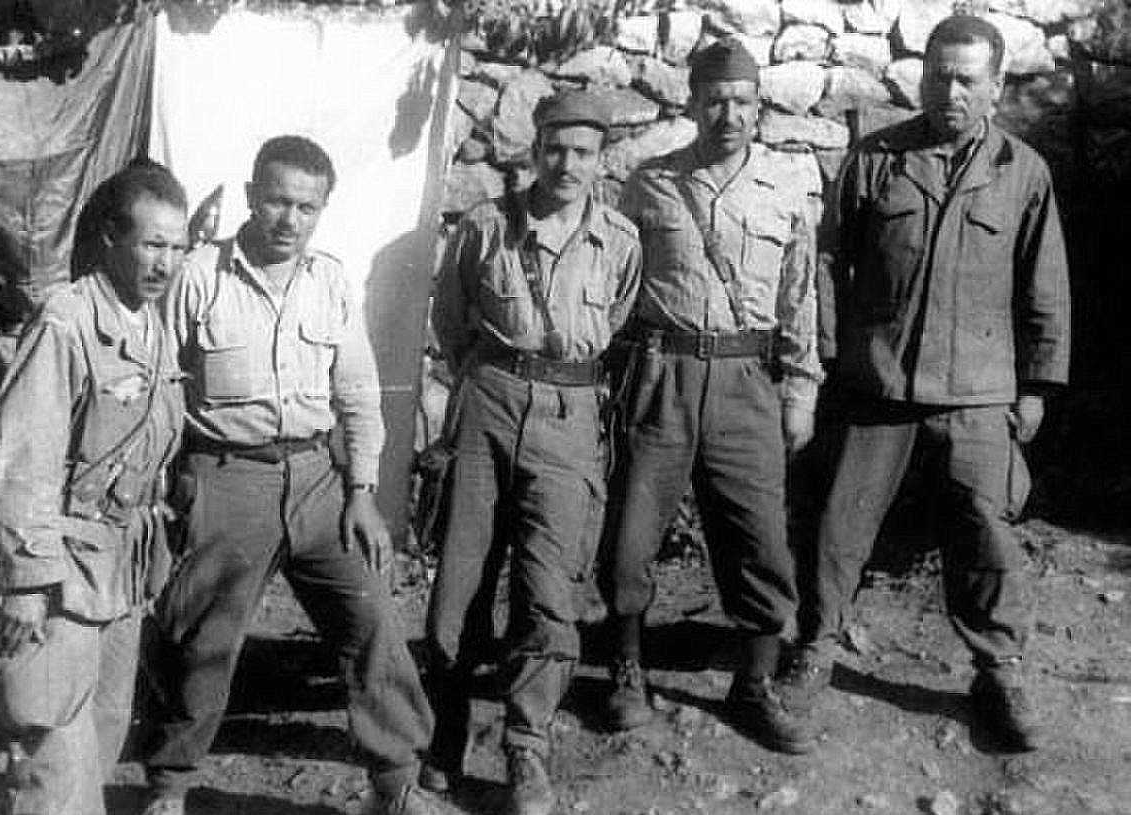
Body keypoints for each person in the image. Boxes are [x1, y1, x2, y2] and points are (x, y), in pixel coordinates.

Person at [785, 14, 1071, 753]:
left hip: (979, 390)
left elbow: (1045, 287)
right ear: (924, 76)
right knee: (839, 525)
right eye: (939, 73)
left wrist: (1035, 385)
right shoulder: (877, 159)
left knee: (986, 531)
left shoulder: (1022, 173)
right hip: (877, 384)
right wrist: (830, 355)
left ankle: (999, 666)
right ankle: (817, 645)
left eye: (968, 78)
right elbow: (826, 263)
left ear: (996, 86)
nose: (950, 89)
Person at [139, 135, 439, 815]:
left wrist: (362, 492)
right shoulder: (198, 276)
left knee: (372, 626)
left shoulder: (330, 279)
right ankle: (169, 785)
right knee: (202, 640)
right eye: (277, 200)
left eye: (307, 206)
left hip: (315, 479)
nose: (289, 218)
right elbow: (160, 390)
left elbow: (359, 391)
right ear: (251, 196)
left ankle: (394, 783)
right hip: (225, 479)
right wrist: (167, 496)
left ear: (322, 209)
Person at [596, 39, 822, 754]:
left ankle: (753, 685)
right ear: (692, 104)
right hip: (661, 374)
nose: (729, 115)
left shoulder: (785, 191)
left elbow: (801, 297)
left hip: (746, 380)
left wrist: (802, 389)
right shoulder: (649, 183)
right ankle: (626, 672)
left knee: (759, 536)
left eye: (743, 102)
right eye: (715, 100)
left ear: (761, 108)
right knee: (631, 534)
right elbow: (617, 285)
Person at [425, 91, 641, 814]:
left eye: (583, 152)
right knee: (462, 575)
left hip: (571, 412)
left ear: (601, 159)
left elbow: (616, 319)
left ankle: (526, 742)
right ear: (534, 147)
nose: (567, 164)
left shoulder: (620, 238)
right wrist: (485, 383)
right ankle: (445, 729)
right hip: (489, 399)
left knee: (551, 586)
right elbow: (451, 318)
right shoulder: (487, 226)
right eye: (555, 148)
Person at [0, 159, 189, 814]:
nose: (166, 262)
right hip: (60, 577)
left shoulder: (150, 325)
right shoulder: (68, 322)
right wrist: (26, 582)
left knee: (98, 744)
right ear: (110, 237)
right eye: (153, 244)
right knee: (50, 755)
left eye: (177, 247)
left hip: (118, 577)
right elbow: (25, 458)